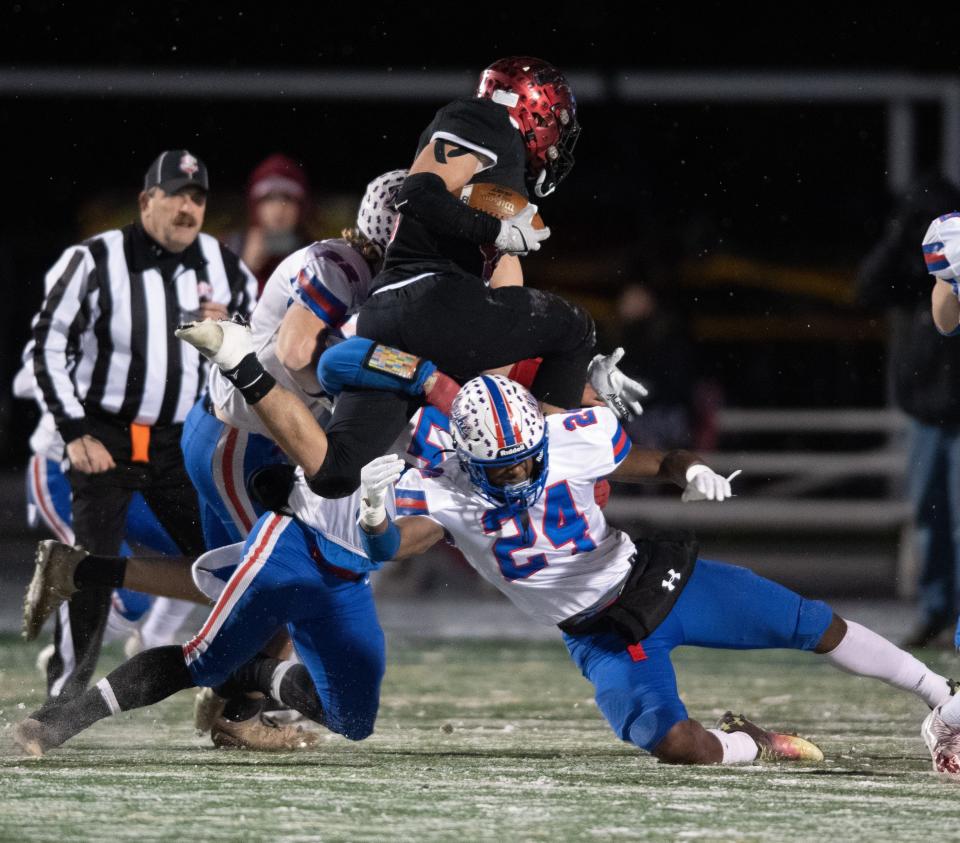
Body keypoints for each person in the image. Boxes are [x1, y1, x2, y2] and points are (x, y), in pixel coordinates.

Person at [352, 375, 952, 765]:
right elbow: (389, 549)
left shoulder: (568, 440)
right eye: (501, 470)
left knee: (813, 624)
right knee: (675, 742)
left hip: (653, 579)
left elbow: (662, 459)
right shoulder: (443, 487)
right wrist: (374, 516)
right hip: (601, 636)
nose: (518, 477)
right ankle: (757, 743)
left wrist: (689, 472)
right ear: (467, 459)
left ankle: (941, 697)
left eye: (525, 462)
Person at [220, 57, 622, 503]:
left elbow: (505, 319)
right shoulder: (484, 119)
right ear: (533, 108)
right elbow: (418, 193)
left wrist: (569, 381)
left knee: (337, 472)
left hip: (391, 321)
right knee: (574, 327)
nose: (557, 139)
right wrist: (494, 231)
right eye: (555, 122)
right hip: (435, 298)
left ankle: (279, 467)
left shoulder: (492, 183)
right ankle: (563, 469)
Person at [28, 149, 257, 706]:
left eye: (197, 197)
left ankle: (236, 691)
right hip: (105, 432)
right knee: (90, 565)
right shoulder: (92, 259)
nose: (187, 207)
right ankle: (63, 700)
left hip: (183, 441)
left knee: (230, 560)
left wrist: (232, 335)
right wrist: (75, 431)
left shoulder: (225, 267)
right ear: (145, 200)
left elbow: (261, 348)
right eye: (175, 194)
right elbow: (48, 346)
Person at [857, 176, 960, 648]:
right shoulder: (912, 273)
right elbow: (868, 286)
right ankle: (936, 610)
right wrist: (903, 232)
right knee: (929, 516)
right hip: (926, 417)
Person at [227, 154, 312, 297]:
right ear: (255, 205)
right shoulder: (229, 248)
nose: (279, 209)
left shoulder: (316, 254)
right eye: (269, 198)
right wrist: (244, 270)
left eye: (288, 198)